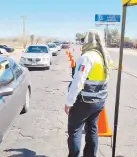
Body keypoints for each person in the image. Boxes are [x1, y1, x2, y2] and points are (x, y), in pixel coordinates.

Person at [64, 29, 112, 157]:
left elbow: (77, 83)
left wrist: (69, 102)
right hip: (99, 101)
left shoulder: (87, 57)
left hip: (84, 102)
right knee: (92, 129)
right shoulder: (104, 57)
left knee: (75, 131)